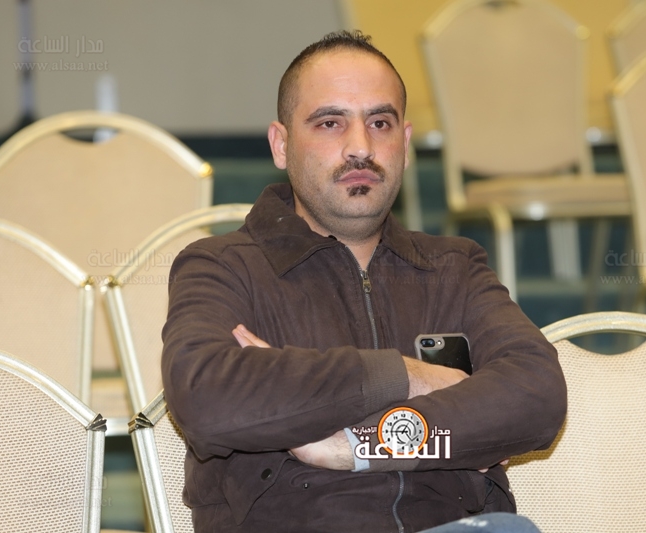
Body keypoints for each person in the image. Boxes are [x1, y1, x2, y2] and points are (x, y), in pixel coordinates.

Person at [161, 30, 566, 533]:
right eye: (330, 123)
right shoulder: (221, 266)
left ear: (405, 143)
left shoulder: (453, 268)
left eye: (380, 123)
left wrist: (359, 446)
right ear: (281, 145)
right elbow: (207, 396)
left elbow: (535, 396)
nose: (360, 147)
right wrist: (408, 377)